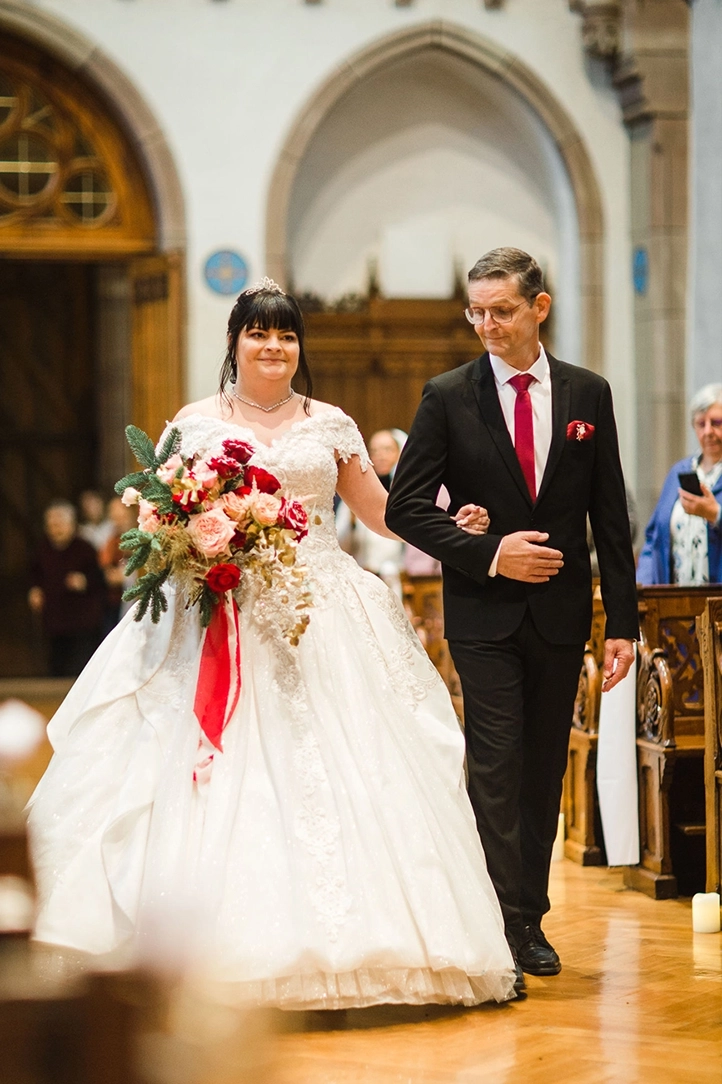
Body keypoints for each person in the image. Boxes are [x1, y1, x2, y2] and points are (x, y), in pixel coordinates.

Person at [27, 279, 517, 1009]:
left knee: (360, 763)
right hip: (219, 606)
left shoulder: (332, 423)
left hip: (321, 607)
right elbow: (161, 515)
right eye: (259, 333)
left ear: (298, 347)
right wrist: (189, 539)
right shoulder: (193, 424)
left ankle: (381, 941)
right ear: (234, 342)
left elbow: (381, 513)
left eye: (286, 335)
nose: (274, 346)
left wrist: (454, 526)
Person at [386, 248, 639, 996]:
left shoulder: (588, 394)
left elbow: (608, 514)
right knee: (495, 766)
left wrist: (620, 621)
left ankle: (528, 911)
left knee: (542, 769)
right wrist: (489, 551)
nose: (487, 325)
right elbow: (405, 507)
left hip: (563, 614)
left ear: (540, 307)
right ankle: (503, 925)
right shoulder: (447, 395)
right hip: (485, 614)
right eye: (477, 312)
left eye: (501, 310)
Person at [637, 383, 722, 585]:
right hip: (675, 602)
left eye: (717, 422)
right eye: (701, 424)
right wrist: (642, 588)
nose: (708, 431)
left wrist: (716, 515)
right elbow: (654, 538)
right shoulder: (680, 472)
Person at [28, 500, 105, 677]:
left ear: (71, 525)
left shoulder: (85, 548)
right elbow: (34, 573)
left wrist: (84, 581)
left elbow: (100, 579)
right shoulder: (42, 548)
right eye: (51, 525)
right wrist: (34, 590)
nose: (55, 530)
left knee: (79, 667)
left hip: (81, 620)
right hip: (54, 618)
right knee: (56, 666)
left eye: (59, 525)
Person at [335, 428, 406, 589]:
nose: (380, 455)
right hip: (365, 575)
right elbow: (341, 542)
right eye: (374, 450)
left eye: (387, 450)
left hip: (400, 575)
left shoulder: (406, 491)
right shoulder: (355, 491)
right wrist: (352, 523)